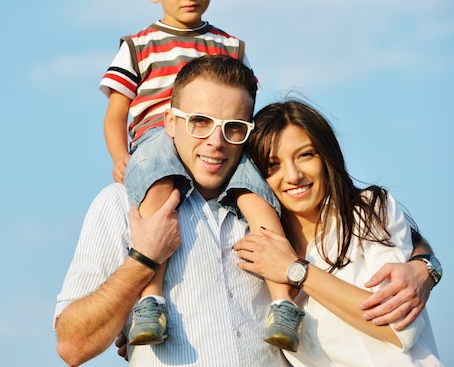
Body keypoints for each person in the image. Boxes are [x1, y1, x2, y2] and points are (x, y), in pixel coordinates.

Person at [55, 56, 434, 367]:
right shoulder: (122, 206)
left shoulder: (272, 215)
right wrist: (143, 260)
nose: (215, 142)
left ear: (247, 132)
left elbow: (365, 228)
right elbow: (72, 346)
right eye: (199, 122)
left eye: (232, 127)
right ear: (171, 122)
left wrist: (425, 266)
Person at [99, 0, 301, 350]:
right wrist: (120, 155)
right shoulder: (139, 46)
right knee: (161, 198)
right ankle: (150, 299)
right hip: (159, 139)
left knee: (258, 196)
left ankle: (283, 302)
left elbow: (245, 106)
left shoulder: (229, 46)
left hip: (224, 143)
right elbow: (116, 112)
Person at [235, 100, 443, 366]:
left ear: (326, 156)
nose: (293, 175)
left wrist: (296, 271)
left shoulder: (367, 212)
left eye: (305, 154)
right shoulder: (262, 257)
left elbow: (398, 326)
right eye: (272, 164)